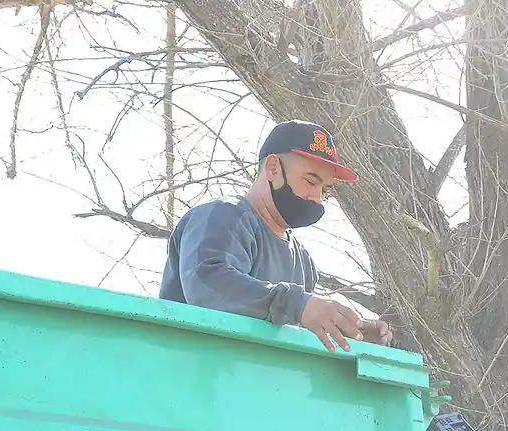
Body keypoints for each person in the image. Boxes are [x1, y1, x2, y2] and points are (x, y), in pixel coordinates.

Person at [158, 120, 390, 353]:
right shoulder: (222, 216)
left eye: (326, 190)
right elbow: (206, 284)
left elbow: (292, 335)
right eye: (311, 181)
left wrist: (349, 333)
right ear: (272, 168)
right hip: (189, 378)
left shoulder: (303, 262)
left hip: (258, 384)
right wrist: (298, 305)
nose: (317, 198)